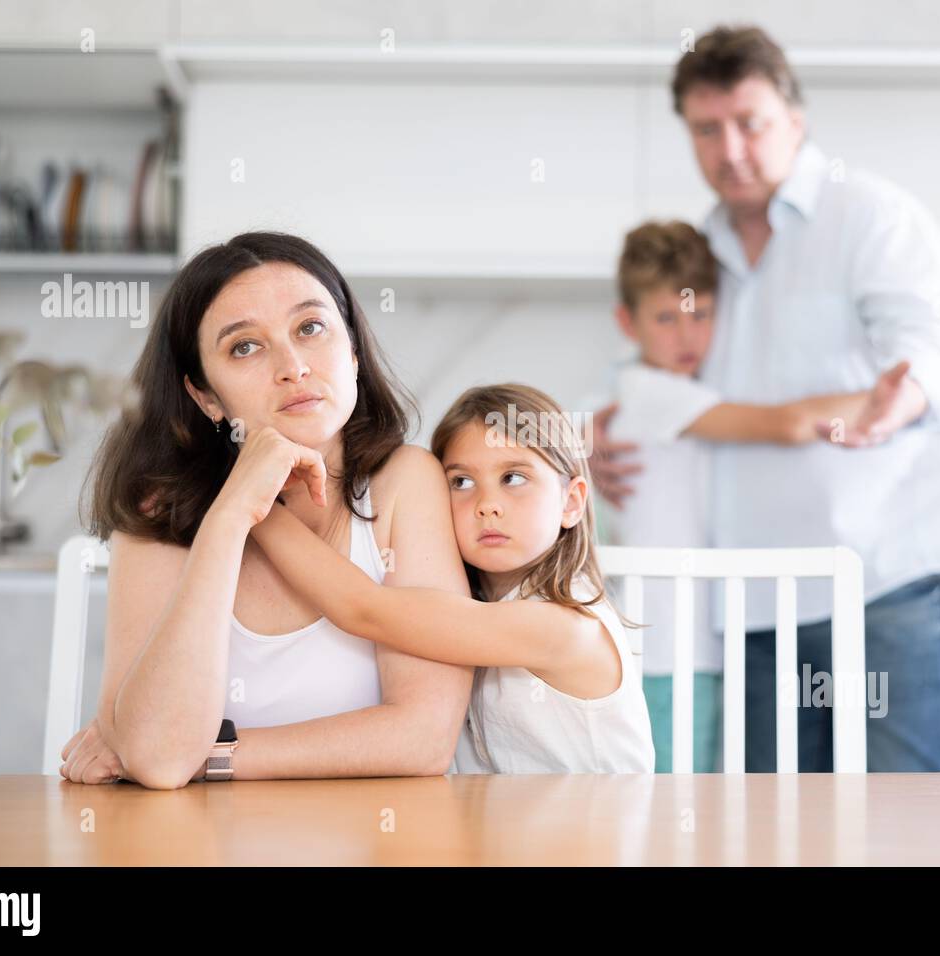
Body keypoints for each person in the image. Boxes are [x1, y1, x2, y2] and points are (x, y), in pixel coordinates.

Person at [591, 26, 940, 772]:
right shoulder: (700, 250)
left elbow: (936, 350)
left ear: (795, 120)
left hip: (881, 581)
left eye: (750, 122)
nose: (730, 149)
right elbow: (665, 367)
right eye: (707, 129)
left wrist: (899, 400)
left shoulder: (869, 215)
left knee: (906, 826)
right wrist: (609, 429)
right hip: (754, 601)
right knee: (772, 837)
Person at [58, 231, 473, 788]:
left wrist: (207, 756)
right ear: (205, 397)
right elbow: (158, 759)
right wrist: (228, 518)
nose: (293, 366)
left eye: (310, 327)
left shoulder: (404, 483)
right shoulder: (160, 512)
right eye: (244, 347)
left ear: (351, 350)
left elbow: (423, 738)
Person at [247, 382, 655, 773]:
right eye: (461, 482)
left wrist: (253, 503)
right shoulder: (475, 608)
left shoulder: (566, 627)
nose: (487, 505)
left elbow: (362, 609)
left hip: (594, 842)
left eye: (514, 478)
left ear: (571, 502)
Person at [603, 219, 870, 772]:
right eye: (666, 318)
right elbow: (789, 424)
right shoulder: (652, 394)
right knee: (669, 801)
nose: (686, 335)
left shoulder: (673, 395)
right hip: (663, 646)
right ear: (627, 322)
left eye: (700, 314)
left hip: (694, 642)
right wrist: (889, 398)